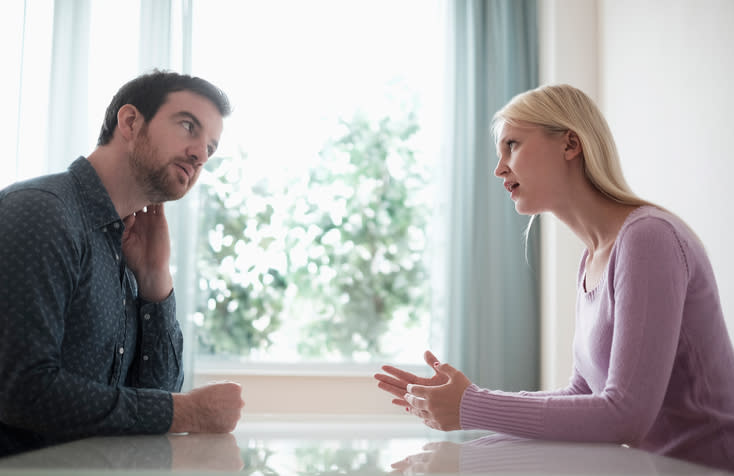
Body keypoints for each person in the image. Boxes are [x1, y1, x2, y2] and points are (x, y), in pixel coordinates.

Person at [375, 84, 734, 470]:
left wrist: (471, 406)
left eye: (512, 144)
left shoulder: (649, 238)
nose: (499, 169)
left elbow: (625, 416)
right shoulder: (594, 258)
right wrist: (457, 452)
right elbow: (582, 394)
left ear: (570, 145)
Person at [0, 70, 244, 457]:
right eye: (187, 126)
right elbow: (21, 391)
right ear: (130, 122)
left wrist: (154, 281)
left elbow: (158, 390)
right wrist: (186, 413)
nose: (200, 154)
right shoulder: (42, 211)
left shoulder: (127, 243)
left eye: (210, 148)